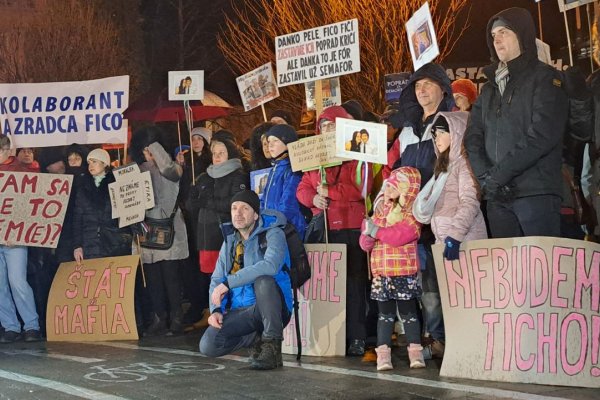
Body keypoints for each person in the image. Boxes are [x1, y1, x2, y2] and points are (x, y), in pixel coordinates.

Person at [464, 7, 568, 238]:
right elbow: (473, 137)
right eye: (493, 35)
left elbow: (542, 135)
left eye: (504, 32)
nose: (497, 39)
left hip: (535, 194)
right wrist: (486, 180)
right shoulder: (490, 88)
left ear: (522, 34)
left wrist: (498, 176)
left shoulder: (546, 78)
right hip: (497, 198)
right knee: (508, 274)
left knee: (540, 273)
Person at [386, 62, 455, 358]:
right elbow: (397, 170)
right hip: (411, 219)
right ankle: (430, 337)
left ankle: (443, 338)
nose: (422, 89)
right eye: (417, 85)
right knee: (423, 284)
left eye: (428, 83)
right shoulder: (407, 131)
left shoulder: (452, 122)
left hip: (441, 214)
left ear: (442, 88)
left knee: (443, 283)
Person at [297, 105, 373, 356]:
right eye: (323, 126)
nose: (327, 130)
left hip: (350, 228)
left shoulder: (358, 152)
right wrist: (313, 199)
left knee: (353, 285)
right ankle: (333, 335)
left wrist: (330, 192)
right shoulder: (315, 156)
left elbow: (362, 189)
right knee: (329, 287)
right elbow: (304, 187)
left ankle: (357, 336)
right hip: (325, 228)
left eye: (332, 125)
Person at [199, 190, 292, 371]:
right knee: (209, 345)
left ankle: (272, 346)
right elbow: (217, 278)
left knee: (264, 281)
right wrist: (216, 309)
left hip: (272, 308)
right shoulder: (230, 241)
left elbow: (270, 266)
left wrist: (229, 283)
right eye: (234, 208)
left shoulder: (273, 234)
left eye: (245, 208)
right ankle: (255, 340)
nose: (238, 213)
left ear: (256, 214)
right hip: (243, 311)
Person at [360, 166, 425, 370]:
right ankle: (383, 355)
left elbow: (402, 235)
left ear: (405, 189)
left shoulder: (411, 213)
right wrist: (368, 235)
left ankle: (415, 353)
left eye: (393, 187)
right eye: (387, 187)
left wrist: (376, 231)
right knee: (384, 315)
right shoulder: (379, 214)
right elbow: (364, 244)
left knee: (409, 313)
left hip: (403, 272)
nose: (387, 192)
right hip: (382, 274)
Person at [186, 135, 249, 330]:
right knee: (209, 275)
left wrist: (207, 201)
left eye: (221, 153)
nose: (217, 157)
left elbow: (234, 203)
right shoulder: (205, 176)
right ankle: (212, 309)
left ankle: (230, 311)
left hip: (224, 232)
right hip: (205, 232)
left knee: (227, 271)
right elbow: (191, 205)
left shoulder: (237, 175)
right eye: (214, 153)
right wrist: (194, 194)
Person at [130, 127, 189, 336]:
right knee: (153, 278)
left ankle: (176, 318)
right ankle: (159, 317)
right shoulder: (135, 171)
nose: (149, 153)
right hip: (146, 228)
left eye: (152, 148)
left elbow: (170, 170)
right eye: (145, 149)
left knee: (171, 277)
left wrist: (155, 146)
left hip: (168, 227)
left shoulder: (171, 169)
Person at [413, 113, 488, 259]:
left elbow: (470, 202)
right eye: (434, 133)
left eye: (442, 132)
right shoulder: (443, 168)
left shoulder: (464, 165)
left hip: (464, 241)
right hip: (446, 240)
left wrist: (454, 236)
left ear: (456, 133)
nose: (437, 138)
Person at [0, 134, 42, 343]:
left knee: (17, 281)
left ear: (8, 150)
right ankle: (11, 326)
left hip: (15, 237)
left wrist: (15, 232)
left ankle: (31, 325)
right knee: (0, 284)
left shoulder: (22, 171)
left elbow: (28, 206)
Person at [72, 148, 131, 263]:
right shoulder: (82, 188)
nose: (91, 166)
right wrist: (77, 246)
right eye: (89, 162)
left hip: (114, 243)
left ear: (104, 164)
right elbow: (77, 219)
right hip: (90, 244)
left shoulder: (118, 184)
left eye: (94, 161)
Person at [262, 124, 306, 236]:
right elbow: (264, 199)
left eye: (275, 141)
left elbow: (288, 204)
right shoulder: (274, 170)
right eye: (268, 141)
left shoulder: (292, 169)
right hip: (271, 227)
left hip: (287, 229)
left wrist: (275, 224)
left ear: (287, 144)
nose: (270, 145)